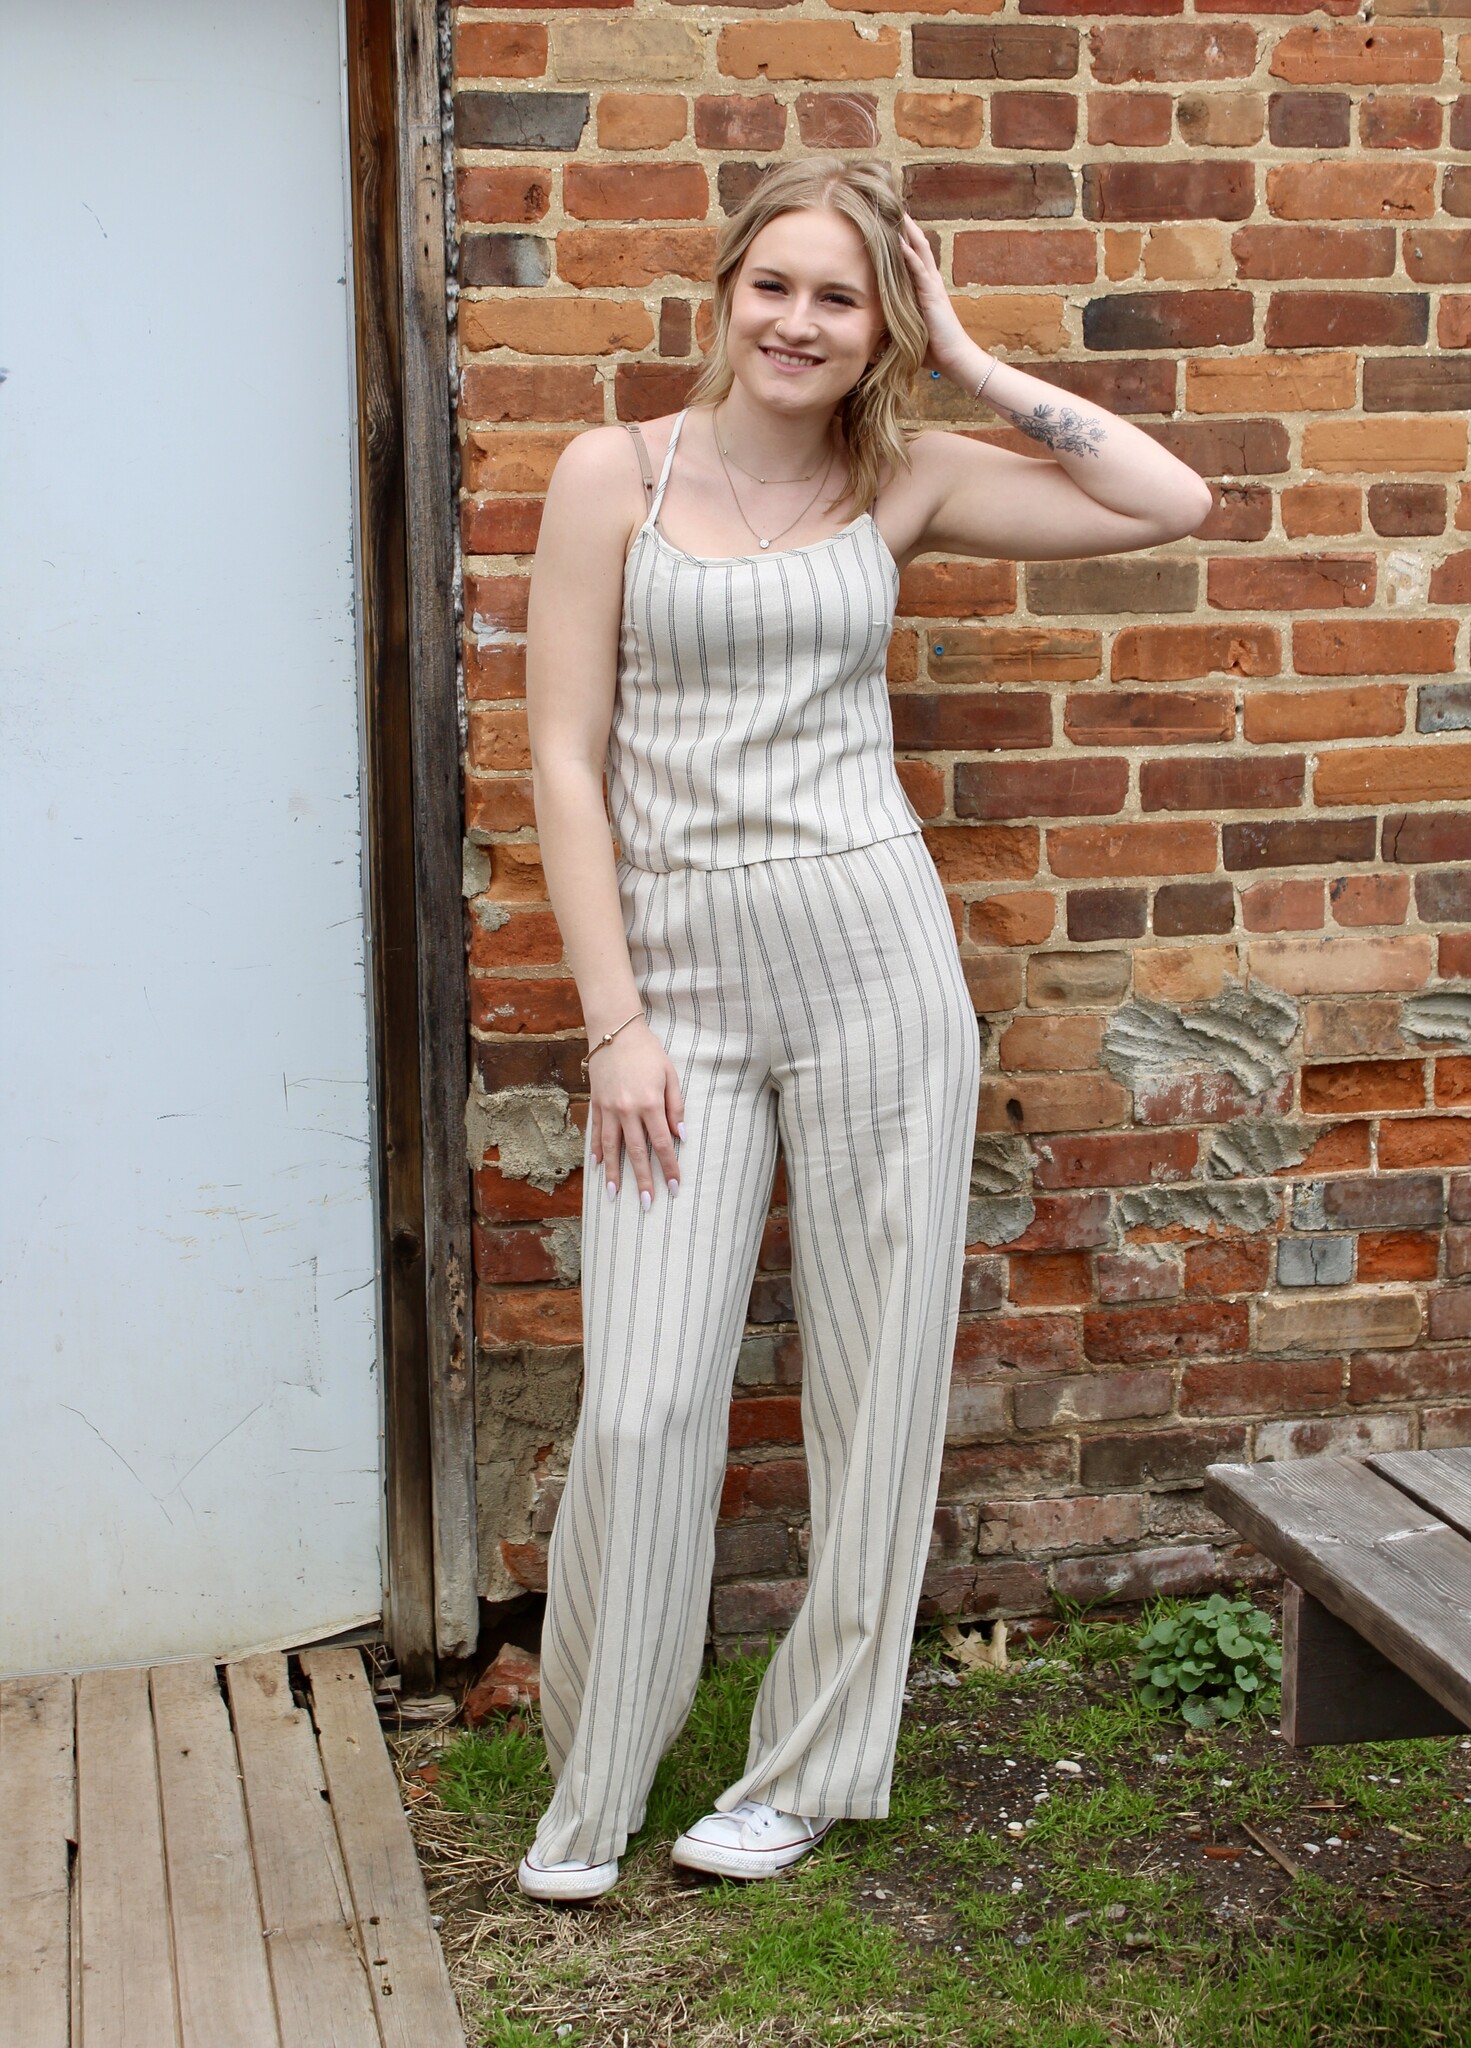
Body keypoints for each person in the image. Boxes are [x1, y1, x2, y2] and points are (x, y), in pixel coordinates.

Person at [516, 154, 1213, 1903]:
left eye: (842, 297)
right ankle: (596, 1775)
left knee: (878, 1379)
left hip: (874, 968)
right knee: (646, 1399)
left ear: (879, 321)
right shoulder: (615, 473)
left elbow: (1168, 498)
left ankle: (810, 1771)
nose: (799, 323)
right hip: (675, 988)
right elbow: (566, 764)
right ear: (725, 290)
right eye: (776, 284)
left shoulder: (902, 475)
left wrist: (966, 356)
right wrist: (613, 1025)